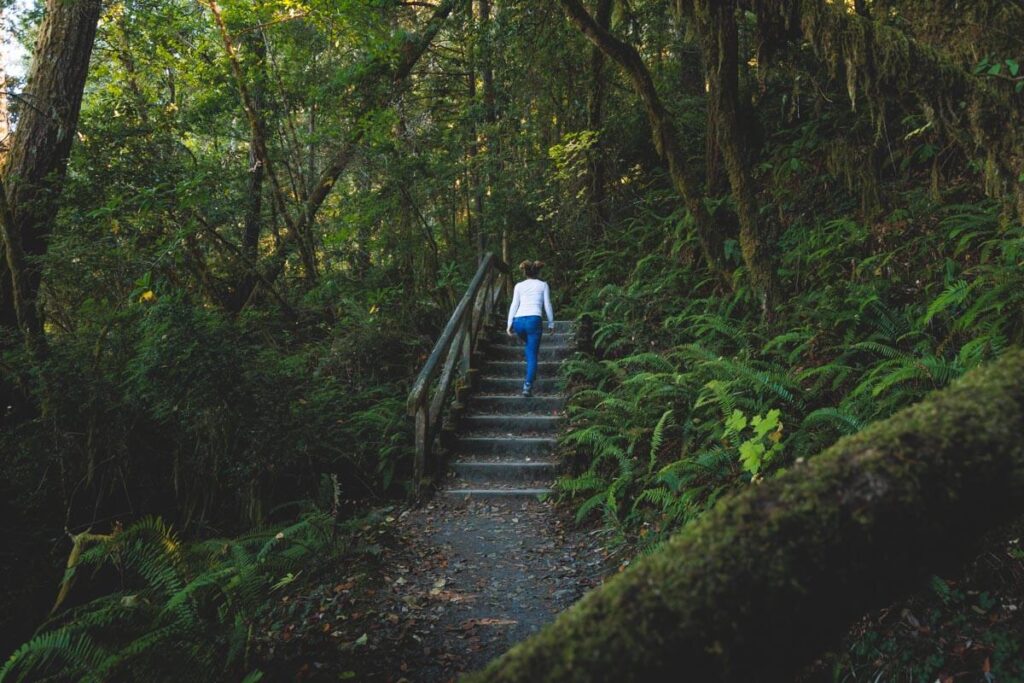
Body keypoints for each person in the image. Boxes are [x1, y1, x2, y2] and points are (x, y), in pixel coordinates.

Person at [506, 260, 555, 397]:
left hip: (518, 322)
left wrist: (509, 323)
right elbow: (547, 305)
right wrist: (551, 324)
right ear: (538, 272)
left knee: (529, 348)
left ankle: (531, 373)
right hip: (534, 320)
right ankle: (527, 385)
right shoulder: (543, 285)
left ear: (525, 272)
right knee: (532, 353)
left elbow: (514, 305)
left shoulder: (518, 286)